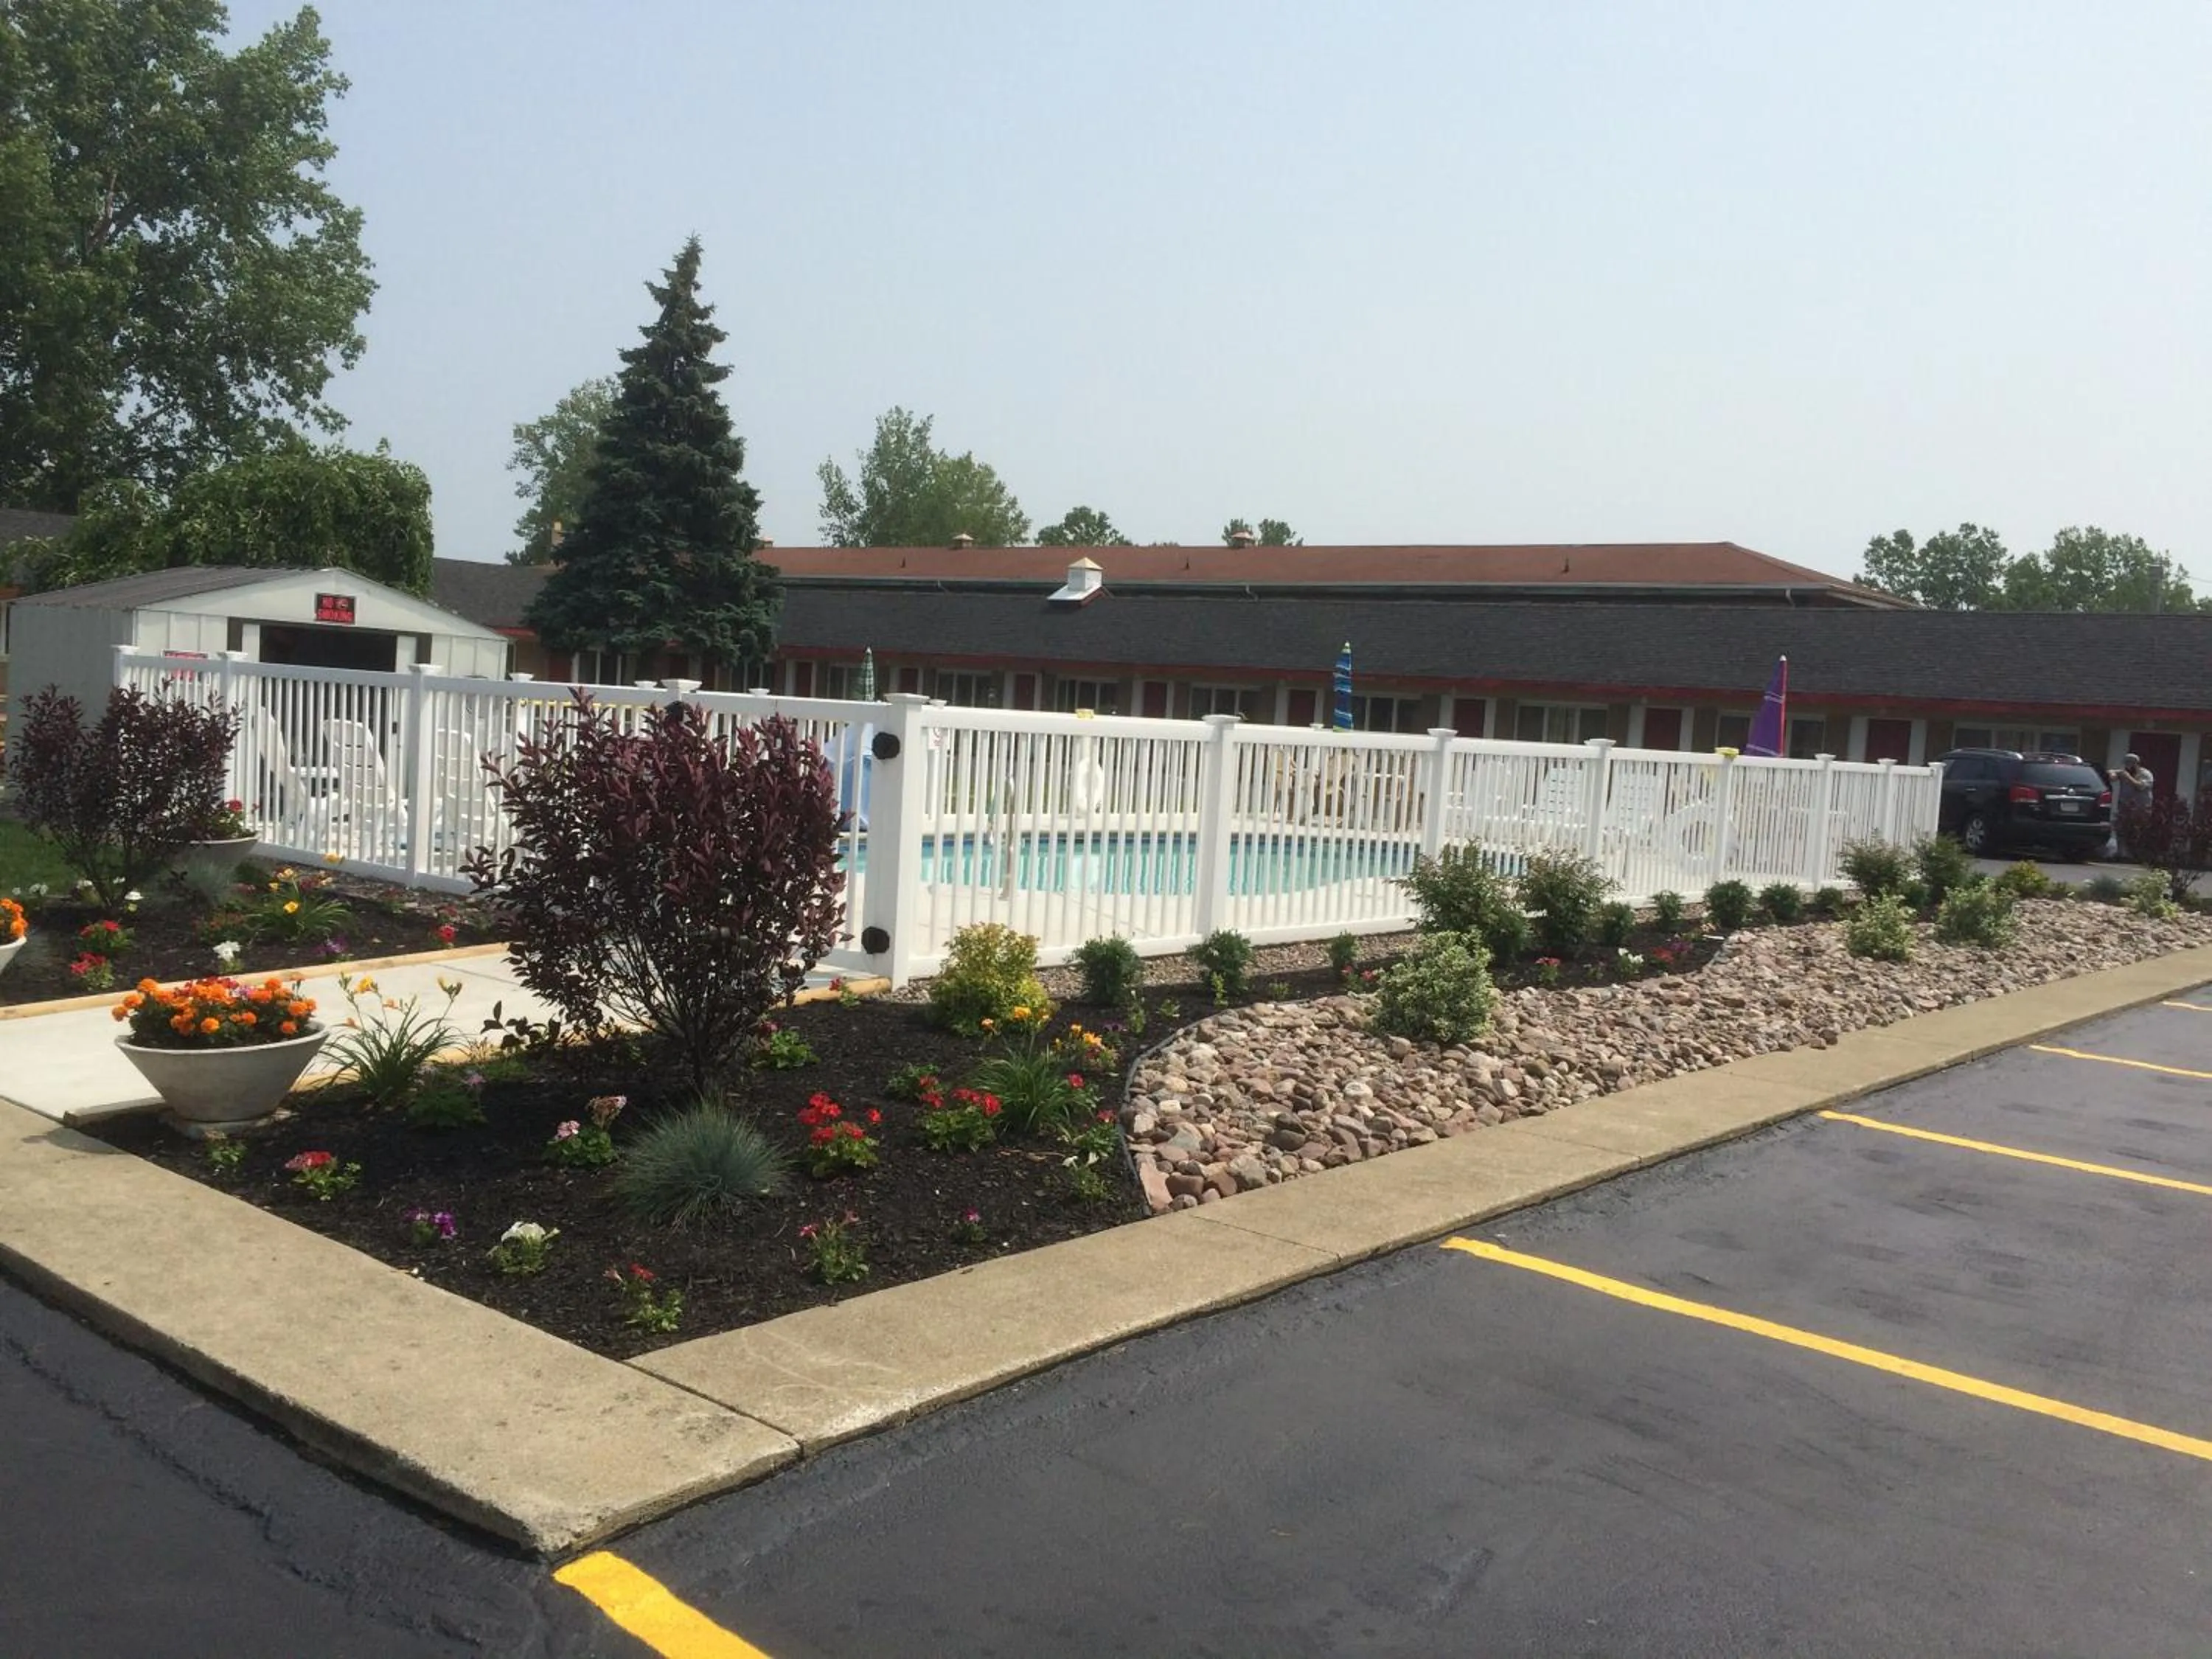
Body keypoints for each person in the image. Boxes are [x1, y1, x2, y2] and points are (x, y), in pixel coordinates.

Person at [2108, 752, 2154, 858]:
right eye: (2126, 764)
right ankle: (2121, 854)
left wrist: (2127, 777)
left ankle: (2138, 854)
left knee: (2138, 831)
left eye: (2131, 764)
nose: (2128, 766)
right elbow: (2112, 776)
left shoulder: (2145, 774)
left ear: (2136, 764)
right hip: (2125, 807)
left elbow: (2140, 786)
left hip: (2141, 808)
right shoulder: (2124, 773)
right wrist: (2112, 773)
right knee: (2121, 829)